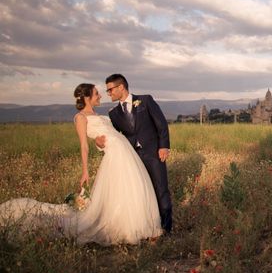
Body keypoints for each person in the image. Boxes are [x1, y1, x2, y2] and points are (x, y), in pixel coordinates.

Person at [0, 84, 163, 245]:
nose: (100, 96)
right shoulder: (80, 118)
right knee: (123, 188)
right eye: (96, 93)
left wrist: (100, 143)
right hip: (115, 155)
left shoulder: (101, 114)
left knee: (132, 187)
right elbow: (84, 145)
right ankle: (127, 228)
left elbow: (109, 135)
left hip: (125, 152)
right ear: (87, 98)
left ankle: (137, 225)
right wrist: (85, 170)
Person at [97, 74, 173, 234]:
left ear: (121, 87)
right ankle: (150, 227)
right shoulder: (114, 113)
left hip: (154, 153)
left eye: (110, 89)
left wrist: (164, 146)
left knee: (161, 188)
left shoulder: (145, 100)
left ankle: (167, 229)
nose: (108, 93)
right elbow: (115, 137)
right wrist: (100, 143)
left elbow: (161, 124)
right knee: (142, 192)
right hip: (131, 158)